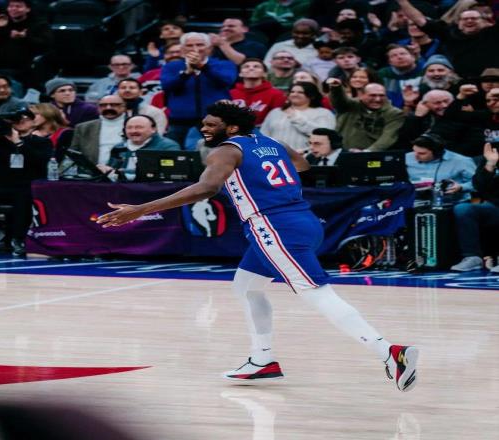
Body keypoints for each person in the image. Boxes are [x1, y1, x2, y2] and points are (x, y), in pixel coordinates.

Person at [96, 101, 419, 391]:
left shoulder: (225, 151)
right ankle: (262, 360)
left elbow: (206, 188)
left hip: (274, 226)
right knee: (247, 287)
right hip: (302, 221)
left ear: (231, 127)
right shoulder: (270, 142)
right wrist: (258, 176)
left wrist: (139, 209)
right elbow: (302, 164)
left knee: (316, 293)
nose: (204, 128)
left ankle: (389, 352)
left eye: (211, 124)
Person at [160, 32, 238, 147]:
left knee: (214, 153)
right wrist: (186, 73)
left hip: (215, 121)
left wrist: (203, 67)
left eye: (200, 44)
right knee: (176, 154)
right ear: (182, 49)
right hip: (179, 121)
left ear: (209, 48)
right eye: (189, 45)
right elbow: (167, 86)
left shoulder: (223, 64)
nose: (195, 48)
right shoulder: (171, 66)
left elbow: (227, 81)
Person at [0, 109, 52, 256]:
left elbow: (40, 162)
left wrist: (18, 142)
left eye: (25, 119)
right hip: (3, 185)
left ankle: (18, 239)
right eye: (16, 120)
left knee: (23, 195)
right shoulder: (2, 142)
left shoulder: (41, 142)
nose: (20, 122)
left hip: (29, 185)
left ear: (33, 122)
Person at [451, 142, 499, 272]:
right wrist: (490, 164)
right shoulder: (493, 154)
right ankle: (473, 257)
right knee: (463, 209)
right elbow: (478, 185)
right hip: (495, 206)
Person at [327, 78, 405, 151]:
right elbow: (339, 100)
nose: (378, 99)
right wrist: (336, 88)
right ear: (361, 95)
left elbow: (388, 137)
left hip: (373, 156)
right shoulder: (350, 106)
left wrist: (366, 152)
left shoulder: (394, 113)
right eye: (373, 95)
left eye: (381, 95)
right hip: (341, 153)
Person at [260, 82, 336, 152]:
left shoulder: (323, 113)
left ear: (311, 95)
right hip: (276, 156)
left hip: (306, 157)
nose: (294, 94)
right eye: (292, 92)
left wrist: (296, 118)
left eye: (300, 92)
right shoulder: (275, 112)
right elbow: (264, 135)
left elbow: (325, 136)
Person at [102, 114, 179, 181]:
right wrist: (105, 170)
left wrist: (123, 172)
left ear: (153, 129)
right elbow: (111, 170)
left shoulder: (168, 146)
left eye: (139, 127)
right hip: (121, 187)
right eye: (129, 128)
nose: (133, 131)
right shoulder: (118, 147)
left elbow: (170, 172)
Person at [406, 133, 476, 205]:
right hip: (414, 203)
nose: (415, 156)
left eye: (422, 153)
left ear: (437, 152)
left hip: (451, 203)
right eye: (414, 151)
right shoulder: (406, 158)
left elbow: (479, 183)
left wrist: (461, 187)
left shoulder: (462, 161)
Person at [70, 95, 127, 166]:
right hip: (91, 170)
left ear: (123, 107)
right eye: (103, 105)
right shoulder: (83, 128)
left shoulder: (135, 125)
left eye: (114, 105)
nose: (108, 108)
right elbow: (72, 154)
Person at [229, 58, 286, 127]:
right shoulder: (230, 93)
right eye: (246, 66)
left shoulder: (277, 94)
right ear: (240, 73)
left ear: (265, 74)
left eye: (256, 66)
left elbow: (277, 120)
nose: (251, 68)